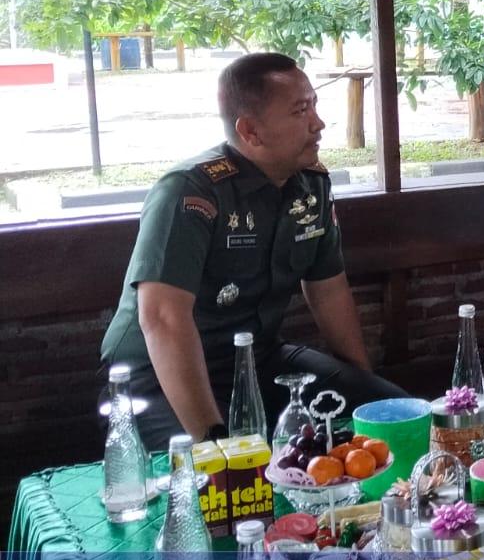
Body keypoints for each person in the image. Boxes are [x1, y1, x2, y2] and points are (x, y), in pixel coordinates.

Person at [101, 53, 405, 449]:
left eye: (314, 105)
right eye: (300, 110)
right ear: (250, 131)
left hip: (259, 360)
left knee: (394, 418)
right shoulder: (191, 193)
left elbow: (328, 291)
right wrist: (215, 444)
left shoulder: (311, 184)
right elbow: (162, 319)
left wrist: (362, 391)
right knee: (213, 474)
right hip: (157, 376)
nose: (318, 123)